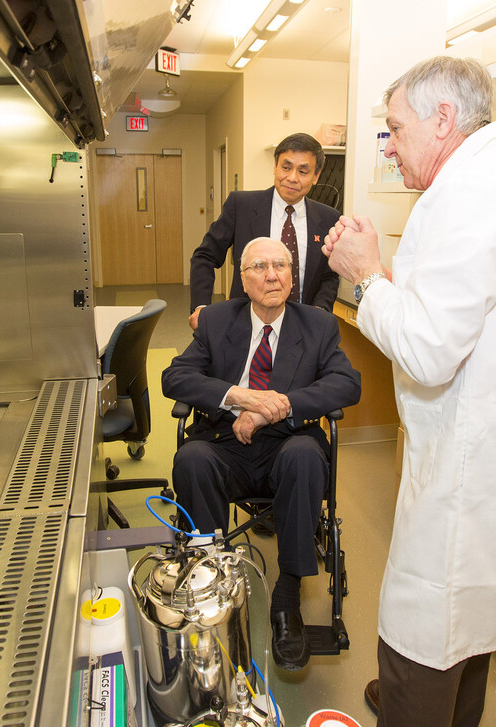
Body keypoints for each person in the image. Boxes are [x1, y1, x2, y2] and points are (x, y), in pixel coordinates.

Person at [323, 57, 496, 726]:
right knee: (470, 637)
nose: (389, 145)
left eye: (394, 128)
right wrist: (387, 276)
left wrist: (366, 277)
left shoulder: (473, 190)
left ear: (443, 119)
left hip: (468, 469)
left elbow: (428, 347)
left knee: (426, 636)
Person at [163, 236, 361, 671]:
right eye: (259, 267)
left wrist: (280, 407)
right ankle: (211, 579)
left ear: (293, 275)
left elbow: (347, 385)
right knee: (191, 459)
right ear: (243, 280)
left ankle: (286, 598)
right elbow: (174, 377)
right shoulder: (217, 320)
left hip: (288, 443)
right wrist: (238, 397)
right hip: (225, 445)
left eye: (281, 265)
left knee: (307, 457)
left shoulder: (318, 325)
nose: (272, 275)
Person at [189, 133, 342, 330]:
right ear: (275, 167)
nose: (292, 178)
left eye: (303, 172)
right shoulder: (241, 206)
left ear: (316, 176)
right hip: (245, 325)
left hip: (304, 328)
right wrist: (201, 306)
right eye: (286, 168)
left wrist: (320, 311)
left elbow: (329, 276)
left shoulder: (329, 218)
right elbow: (205, 256)